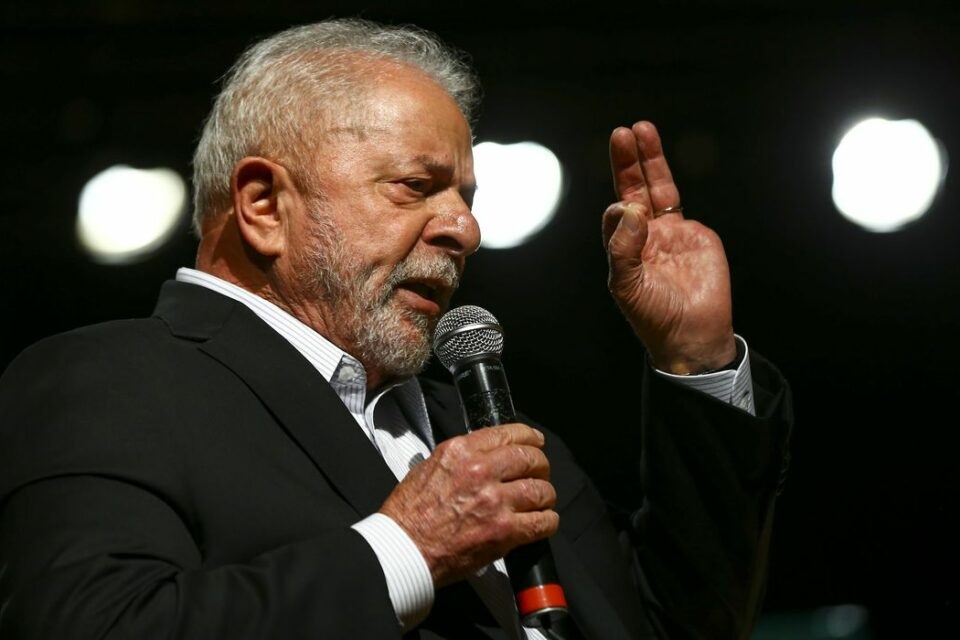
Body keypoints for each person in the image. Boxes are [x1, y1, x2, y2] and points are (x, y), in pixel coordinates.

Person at [0, 17, 792, 640]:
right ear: (264, 206)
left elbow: (677, 625)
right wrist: (406, 548)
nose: (465, 230)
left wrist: (696, 357)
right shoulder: (106, 382)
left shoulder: (488, 434)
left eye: (466, 199)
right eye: (417, 186)